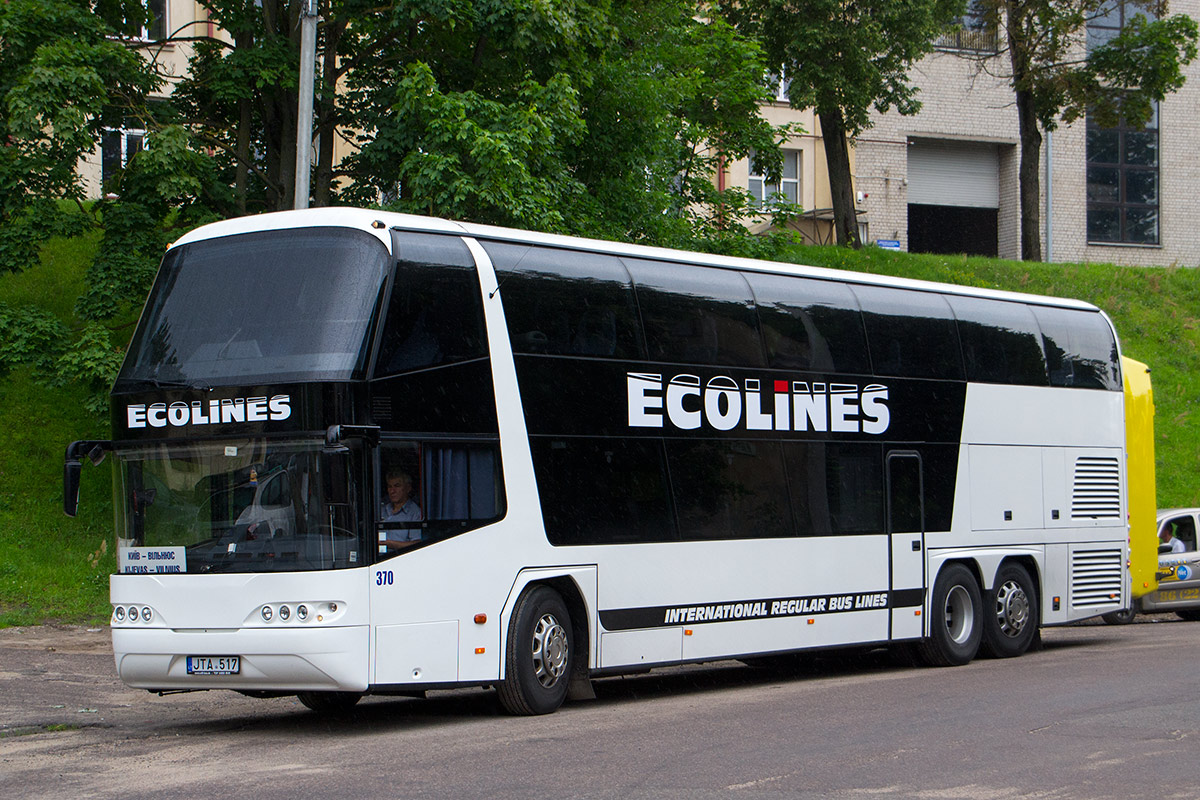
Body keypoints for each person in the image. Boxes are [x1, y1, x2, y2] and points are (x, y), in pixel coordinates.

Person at [379, 470, 423, 551]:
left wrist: (389, 544)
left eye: (397, 486)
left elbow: (417, 544)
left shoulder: (416, 513)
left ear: (408, 488)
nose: (392, 491)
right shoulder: (382, 510)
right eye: (390, 487)